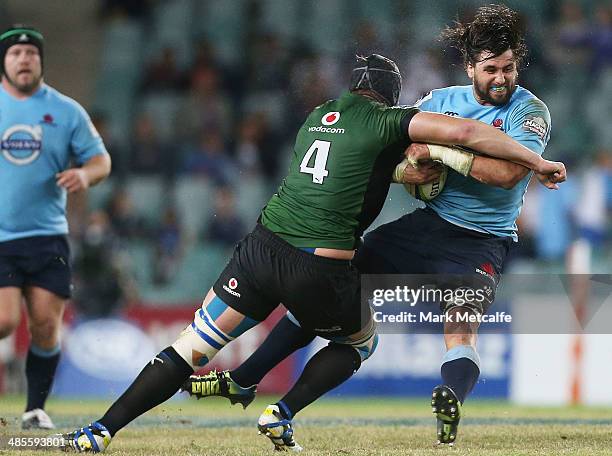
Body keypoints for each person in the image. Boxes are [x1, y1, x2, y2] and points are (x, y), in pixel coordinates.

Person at [58, 53, 563, 453]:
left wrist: (408, 173)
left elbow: (356, 169)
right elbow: (469, 133)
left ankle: (99, 431)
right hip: (316, 266)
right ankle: (280, 411)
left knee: (190, 348)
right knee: (358, 343)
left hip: (259, 250)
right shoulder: (391, 121)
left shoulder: (318, 117)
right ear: (390, 97)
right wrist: (537, 161)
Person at [182, 4, 558, 448]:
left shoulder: (529, 111)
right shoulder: (438, 102)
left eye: (509, 68)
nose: (501, 78)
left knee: (461, 325)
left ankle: (449, 396)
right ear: (470, 66)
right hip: (424, 226)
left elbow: (511, 174)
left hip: (482, 242)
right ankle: (248, 381)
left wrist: (440, 156)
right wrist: (405, 171)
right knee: (331, 287)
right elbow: (387, 152)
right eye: (492, 69)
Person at [0, 25, 111, 429]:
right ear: (5, 62)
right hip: (1, 237)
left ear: (41, 61)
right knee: (5, 321)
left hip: (47, 235)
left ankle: (34, 409)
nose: (24, 60)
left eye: (31, 53)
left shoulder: (66, 111)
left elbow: (102, 161)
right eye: (15, 54)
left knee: (46, 324)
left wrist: (85, 176)